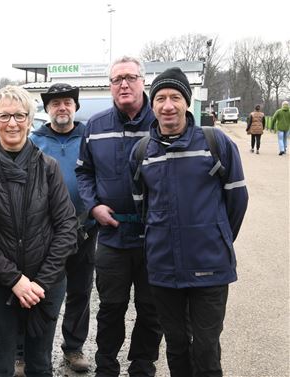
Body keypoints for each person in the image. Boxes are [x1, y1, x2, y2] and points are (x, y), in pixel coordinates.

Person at [130, 67, 248, 377]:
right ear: (152, 105)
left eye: (175, 97)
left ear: (186, 102)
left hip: (210, 267)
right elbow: (142, 209)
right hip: (163, 269)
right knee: (177, 345)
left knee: (206, 348)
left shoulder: (215, 143)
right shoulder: (142, 152)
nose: (168, 105)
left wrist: (214, 235)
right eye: (160, 98)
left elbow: (237, 201)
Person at [0, 85, 77, 377]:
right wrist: (15, 280)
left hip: (46, 284)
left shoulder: (49, 167)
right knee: (1, 364)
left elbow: (67, 226)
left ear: (31, 120)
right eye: (4, 116)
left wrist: (40, 282)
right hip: (1, 285)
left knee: (40, 363)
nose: (12, 123)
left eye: (19, 115)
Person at [75, 56, 162, 377]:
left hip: (155, 238)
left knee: (151, 309)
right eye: (116, 80)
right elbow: (83, 172)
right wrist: (93, 205)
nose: (123, 84)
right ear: (110, 86)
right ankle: (106, 367)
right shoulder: (96, 127)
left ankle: (142, 366)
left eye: (130, 77)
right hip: (112, 238)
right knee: (111, 309)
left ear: (143, 82)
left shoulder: (162, 121)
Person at [29, 83, 96, 372]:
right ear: (47, 109)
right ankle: (24, 351)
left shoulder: (89, 138)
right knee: (37, 291)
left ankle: (74, 348)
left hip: (84, 228)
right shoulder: (34, 140)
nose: (62, 108)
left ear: (75, 107)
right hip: (46, 231)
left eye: (68, 102)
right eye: (55, 103)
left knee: (80, 290)